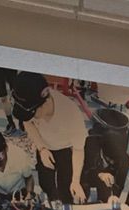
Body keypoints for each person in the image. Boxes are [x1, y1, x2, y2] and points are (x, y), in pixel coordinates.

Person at [11, 72, 87, 203]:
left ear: (45, 102)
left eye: (32, 113)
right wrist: (42, 149)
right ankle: (51, 200)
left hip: (65, 149)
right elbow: (27, 123)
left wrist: (75, 181)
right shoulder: (31, 106)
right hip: (44, 145)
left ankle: (64, 203)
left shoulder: (71, 114)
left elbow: (78, 150)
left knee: (65, 185)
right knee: (45, 182)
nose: (32, 117)